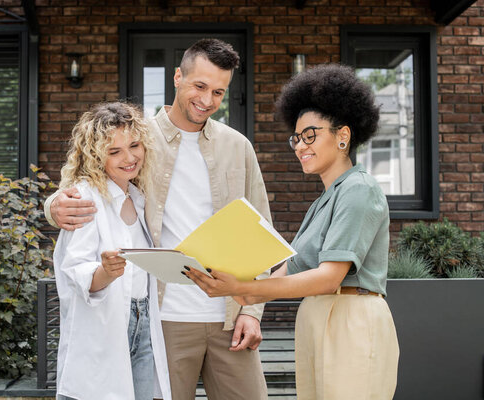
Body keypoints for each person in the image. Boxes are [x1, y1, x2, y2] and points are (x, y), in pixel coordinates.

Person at [45, 39, 269, 400]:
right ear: (178, 77)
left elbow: (261, 233)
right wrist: (54, 205)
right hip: (164, 322)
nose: (207, 100)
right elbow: (90, 179)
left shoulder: (238, 146)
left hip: (230, 315)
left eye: (218, 92)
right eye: (199, 86)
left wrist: (253, 311)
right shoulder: (138, 139)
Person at [185, 64, 400, 400]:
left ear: (343, 135)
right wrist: (236, 287)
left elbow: (330, 277)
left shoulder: (359, 188)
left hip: (351, 318)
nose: (300, 146)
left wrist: (244, 288)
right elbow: (286, 273)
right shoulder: (323, 202)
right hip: (316, 317)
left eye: (310, 135)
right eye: (296, 138)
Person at [52, 102, 171, 400]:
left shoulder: (138, 195)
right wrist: (106, 272)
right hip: (104, 329)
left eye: (134, 145)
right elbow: (75, 270)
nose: (129, 158)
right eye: (114, 151)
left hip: (143, 324)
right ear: (95, 155)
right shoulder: (83, 196)